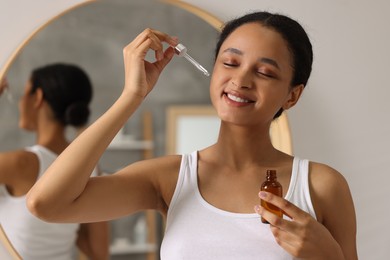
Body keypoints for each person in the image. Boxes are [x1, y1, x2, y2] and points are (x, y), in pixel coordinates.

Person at [27, 11, 358, 260]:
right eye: (230, 62)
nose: (241, 80)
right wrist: (131, 97)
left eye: (264, 72)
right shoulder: (169, 179)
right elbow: (47, 204)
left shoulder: (322, 186)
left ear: (292, 96)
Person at [0, 64, 109, 260]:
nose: (20, 102)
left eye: (25, 93)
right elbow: (98, 252)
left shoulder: (23, 163)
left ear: (38, 97)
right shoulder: (90, 167)